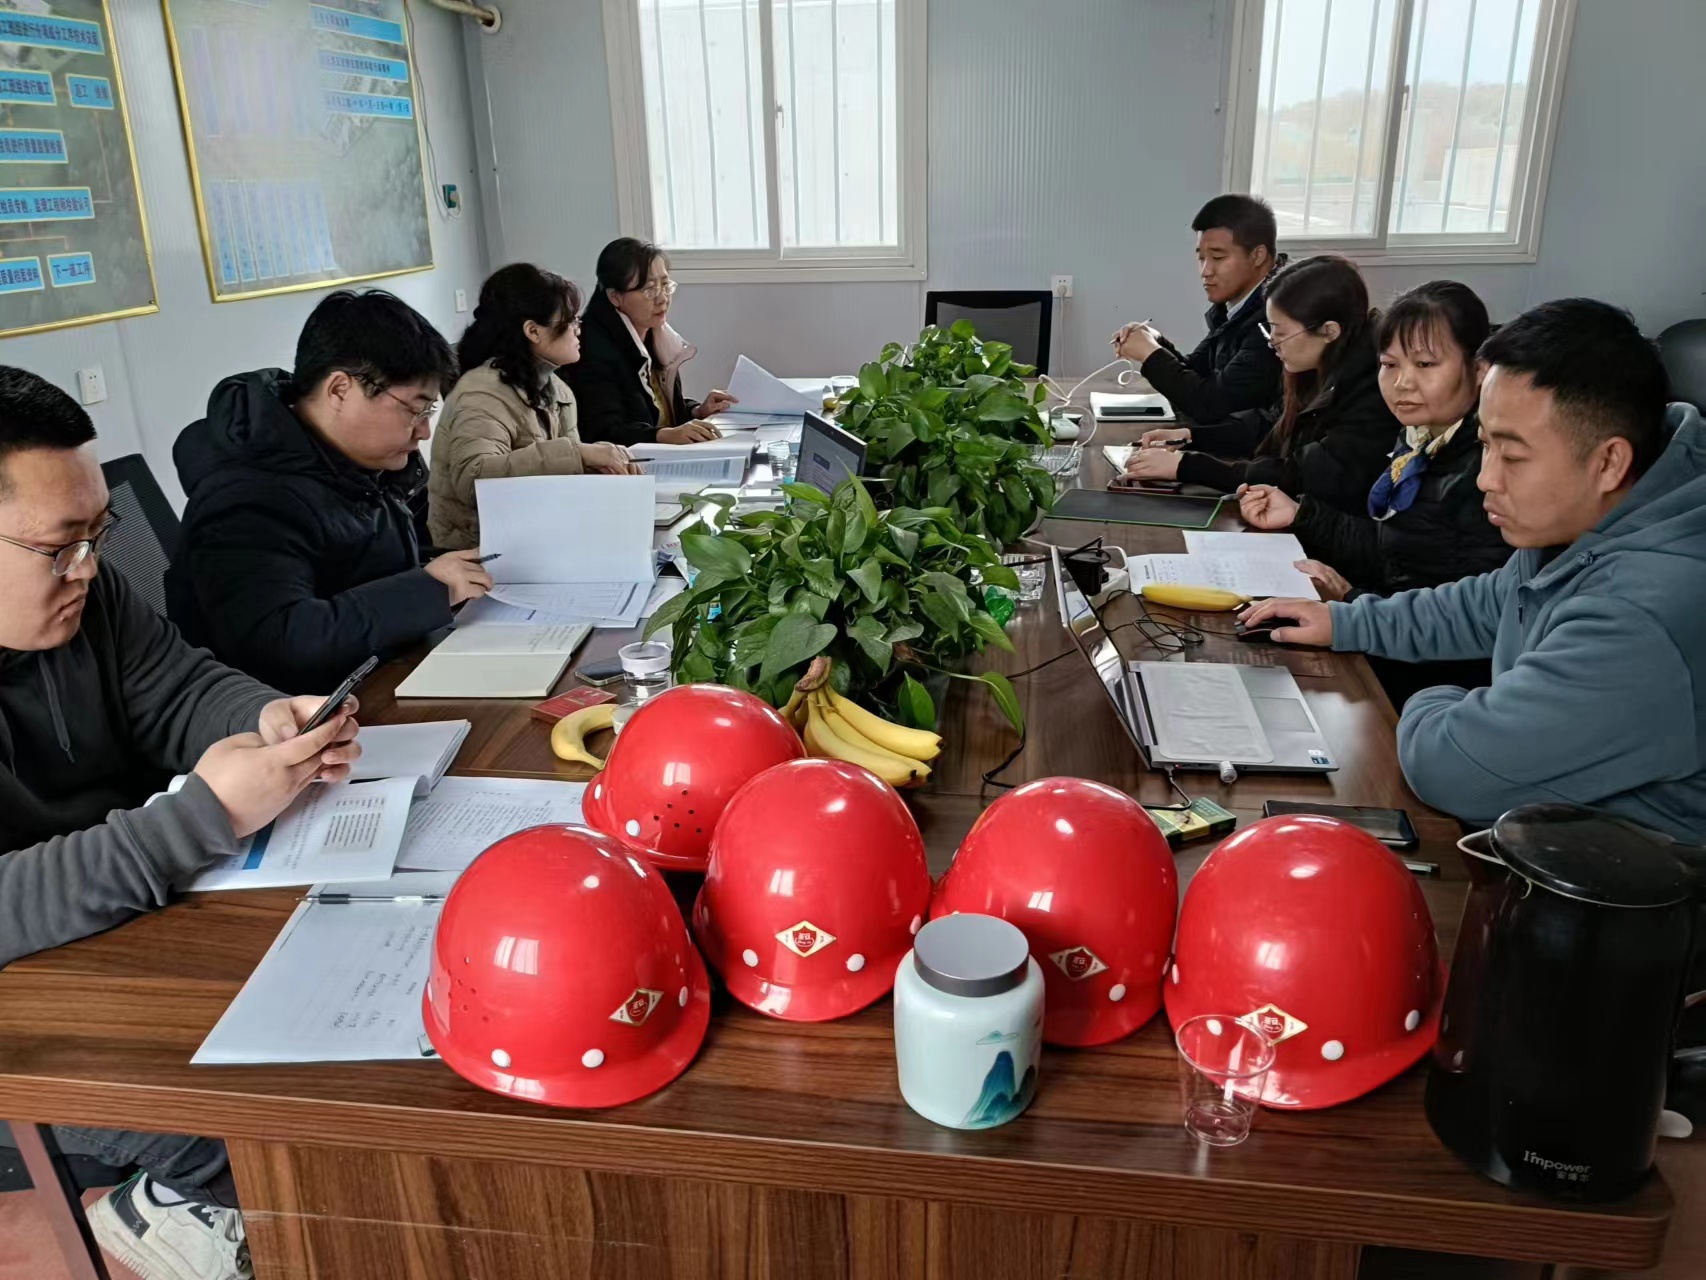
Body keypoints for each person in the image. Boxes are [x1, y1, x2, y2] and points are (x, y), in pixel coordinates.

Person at [0, 365, 361, 1280]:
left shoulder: (87, 600)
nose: (88, 568)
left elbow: (181, 685)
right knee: (266, 1138)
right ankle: (166, 1211)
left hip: (116, 924)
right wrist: (199, 818)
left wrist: (268, 718)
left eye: (97, 536)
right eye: (58, 548)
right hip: (26, 1000)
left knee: (336, 1060)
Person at [1242, 299, 1706, 841]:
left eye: (1512, 456)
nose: (1486, 478)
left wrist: (1435, 699)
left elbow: (1453, 767)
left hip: (1622, 890)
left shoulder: (1643, 616)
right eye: (1484, 444)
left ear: (1608, 462)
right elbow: (1490, 602)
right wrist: (1346, 621)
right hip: (1546, 830)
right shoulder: (1591, 516)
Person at [167, 290, 493, 692]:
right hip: (298, 725)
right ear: (340, 389)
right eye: (415, 409)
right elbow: (280, 641)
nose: (424, 431)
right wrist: (430, 589)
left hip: (383, 675)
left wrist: (466, 569)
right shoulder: (245, 498)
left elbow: (380, 564)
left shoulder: (365, 463)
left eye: (429, 413)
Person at [1240, 280, 1513, 599]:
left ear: (1479, 370)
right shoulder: (1418, 437)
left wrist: (1351, 599)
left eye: (1425, 364)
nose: (1402, 382)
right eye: (1389, 364)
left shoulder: (1490, 469)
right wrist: (1302, 515)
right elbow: (1396, 550)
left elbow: (1466, 617)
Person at [1123, 255, 1397, 517]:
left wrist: (1189, 467)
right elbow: (1271, 423)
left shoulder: (1373, 392)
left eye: (1280, 331)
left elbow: (1300, 475)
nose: (1272, 342)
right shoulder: (1320, 361)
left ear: (1329, 331)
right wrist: (1192, 436)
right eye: (1270, 329)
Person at [428, 263, 641, 550]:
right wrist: (579, 453)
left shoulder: (558, 389)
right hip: (477, 549)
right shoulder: (482, 392)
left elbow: (560, 475)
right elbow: (475, 481)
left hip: (533, 536)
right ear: (533, 331)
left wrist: (601, 471)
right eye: (570, 320)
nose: (579, 330)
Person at [1110, 193, 1283, 425]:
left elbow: (1210, 404)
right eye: (1201, 258)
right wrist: (1156, 341)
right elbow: (1196, 374)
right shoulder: (1235, 306)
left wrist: (1149, 354)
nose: (1205, 271)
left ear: (1257, 256)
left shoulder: (1278, 316)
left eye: (1218, 257)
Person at [560, 237, 737, 446]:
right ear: (615, 297)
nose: (662, 298)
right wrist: (661, 435)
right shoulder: (591, 350)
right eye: (650, 289)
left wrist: (697, 411)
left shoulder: (654, 334)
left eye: (665, 284)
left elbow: (659, 412)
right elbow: (603, 432)